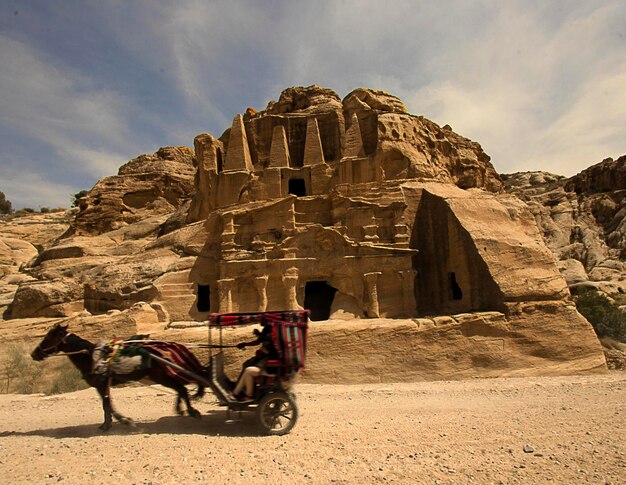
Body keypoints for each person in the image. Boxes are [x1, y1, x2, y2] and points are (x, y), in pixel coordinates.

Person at [229, 325, 276, 401]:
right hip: (264, 362)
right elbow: (260, 340)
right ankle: (241, 389)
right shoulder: (269, 329)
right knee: (246, 365)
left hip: (268, 366)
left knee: (248, 369)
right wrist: (245, 344)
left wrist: (264, 350)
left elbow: (264, 344)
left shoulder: (271, 332)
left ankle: (242, 393)